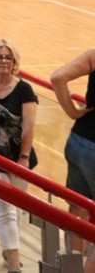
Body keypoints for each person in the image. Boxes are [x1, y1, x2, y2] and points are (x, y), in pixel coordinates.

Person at [0, 38, 37, 273]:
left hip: (20, 158)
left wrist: (23, 158)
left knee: (17, 210)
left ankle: (9, 249)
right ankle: (14, 264)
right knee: (5, 212)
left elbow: (29, 126)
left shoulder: (24, 89)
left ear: (14, 62)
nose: (4, 61)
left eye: (8, 57)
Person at [51, 47, 95, 271]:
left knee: (77, 209)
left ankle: (72, 266)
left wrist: (72, 112)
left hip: (78, 139)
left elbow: (58, 77)